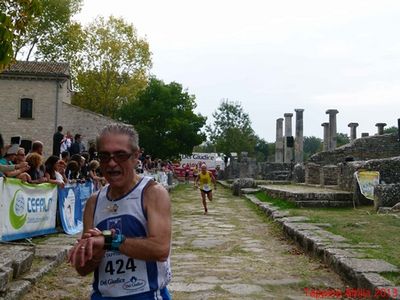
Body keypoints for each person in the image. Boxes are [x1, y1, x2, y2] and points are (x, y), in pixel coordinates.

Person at [68, 123, 172, 299]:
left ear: (135, 156)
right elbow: (83, 269)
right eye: (104, 156)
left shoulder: (152, 193)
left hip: (146, 295)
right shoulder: (94, 201)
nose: (111, 163)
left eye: (120, 155)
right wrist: (92, 253)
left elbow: (160, 249)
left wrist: (109, 241)